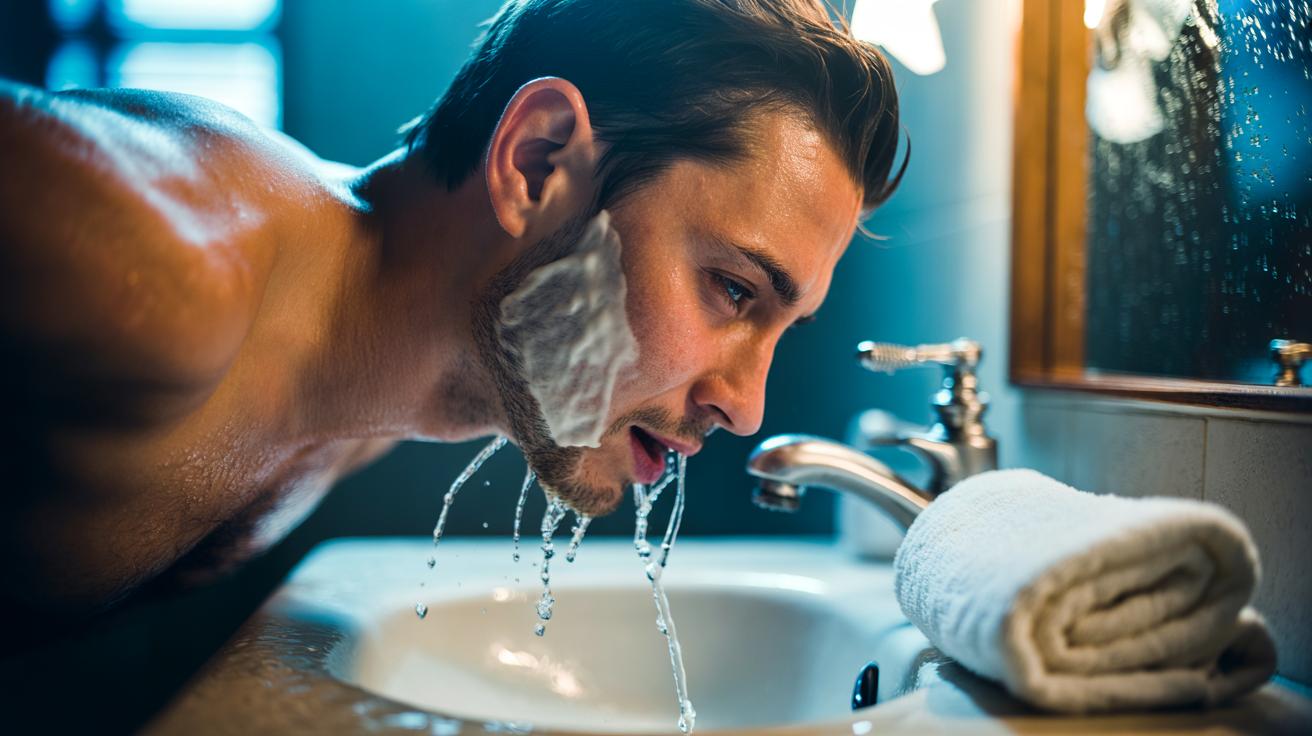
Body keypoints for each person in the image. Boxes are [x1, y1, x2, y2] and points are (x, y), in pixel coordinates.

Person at [0, 0, 903, 635]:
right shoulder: (155, 268)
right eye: (734, 290)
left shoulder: (388, 378)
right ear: (540, 163)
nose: (746, 408)